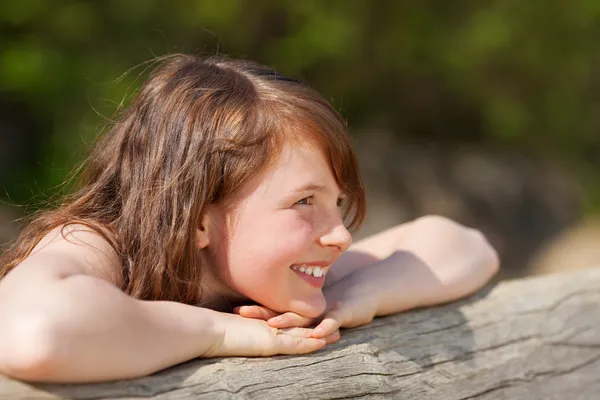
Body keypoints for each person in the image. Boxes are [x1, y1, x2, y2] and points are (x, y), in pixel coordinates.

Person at [0, 54, 499, 383]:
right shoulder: (95, 245)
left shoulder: (278, 281)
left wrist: (359, 298)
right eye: (304, 202)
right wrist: (218, 333)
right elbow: (35, 331)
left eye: (336, 203)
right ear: (197, 216)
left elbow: (465, 246)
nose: (342, 235)